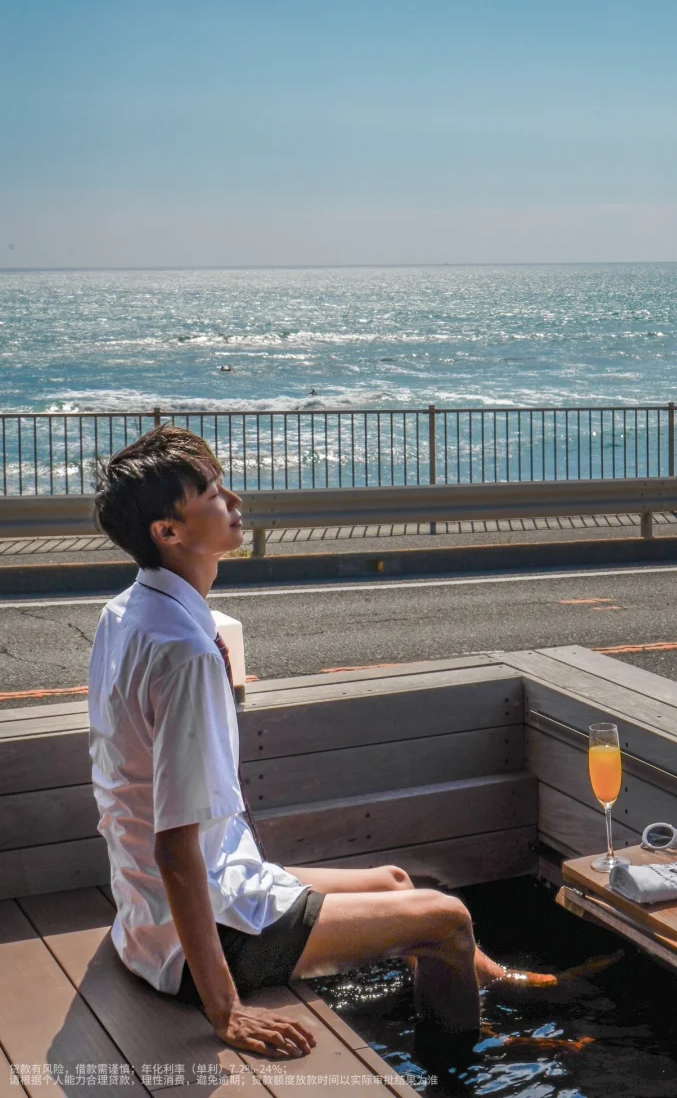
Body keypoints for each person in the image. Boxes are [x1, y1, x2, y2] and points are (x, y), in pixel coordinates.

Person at [89, 425, 551, 1063]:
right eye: (214, 495)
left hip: (160, 912)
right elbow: (174, 848)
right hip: (205, 939)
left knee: (393, 881)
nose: (236, 502)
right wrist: (225, 1010)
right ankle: (466, 1062)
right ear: (169, 532)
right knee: (446, 919)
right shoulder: (186, 653)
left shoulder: (124, 614)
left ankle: (493, 986)